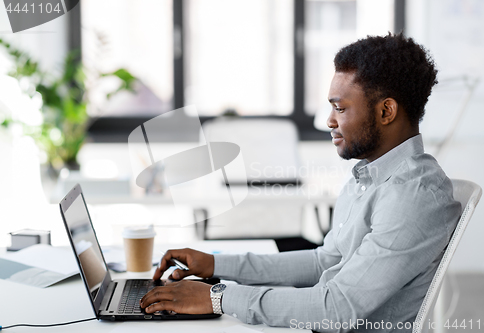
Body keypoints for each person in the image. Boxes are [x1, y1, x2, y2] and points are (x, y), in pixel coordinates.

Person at [140, 33, 462, 333]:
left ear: (386, 110)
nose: (330, 121)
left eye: (340, 108)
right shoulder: (370, 175)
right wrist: (215, 264)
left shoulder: (413, 196)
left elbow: (337, 308)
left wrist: (217, 296)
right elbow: (324, 261)